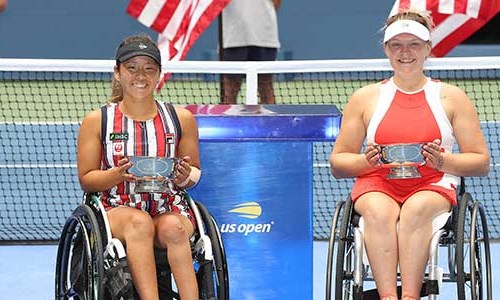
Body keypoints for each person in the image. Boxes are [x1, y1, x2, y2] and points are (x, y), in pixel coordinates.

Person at [329, 10, 490, 300]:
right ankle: (389, 296)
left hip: (433, 184)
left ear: (428, 48)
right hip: (377, 184)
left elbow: (480, 161)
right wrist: (365, 163)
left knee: (415, 211)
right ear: (386, 50)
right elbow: (339, 163)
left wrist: (443, 161)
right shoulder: (364, 98)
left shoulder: (452, 97)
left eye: (414, 44)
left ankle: (411, 296)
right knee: (378, 213)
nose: (405, 52)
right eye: (397, 45)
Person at [77, 34, 201, 300]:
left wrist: (184, 176)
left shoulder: (182, 119)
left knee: (174, 229)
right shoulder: (97, 121)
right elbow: (87, 179)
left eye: (149, 68)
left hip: (167, 205)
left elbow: (195, 175)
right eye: (131, 68)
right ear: (118, 73)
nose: (140, 75)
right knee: (140, 223)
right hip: (116, 207)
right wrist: (114, 175)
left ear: (159, 75)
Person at [221, 0, 281, 104]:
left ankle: (270, 121)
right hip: (233, 36)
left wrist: (263, 15)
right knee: (230, 92)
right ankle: (228, 121)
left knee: (266, 88)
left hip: (264, 36)